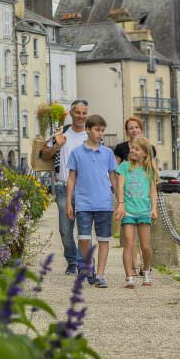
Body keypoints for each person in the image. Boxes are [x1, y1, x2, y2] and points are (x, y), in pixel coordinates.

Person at [66, 115, 118, 288]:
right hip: (83, 203)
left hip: (104, 203)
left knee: (104, 240)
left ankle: (101, 275)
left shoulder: (108, 153)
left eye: (102, 130)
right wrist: (68, 202)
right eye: (97, 130)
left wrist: (121, 202)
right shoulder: (76, 153)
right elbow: (71, 179)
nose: (100, 133)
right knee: (83, 238)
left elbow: (113, 178)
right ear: (88, 130)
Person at [41, 99, 89, 274]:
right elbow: (44, 154)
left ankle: (81, 262)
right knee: (65, 230)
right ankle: (71, 261)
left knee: (84, 230)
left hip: (85, 189)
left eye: (84, 113)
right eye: (78, 112)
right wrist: (58, 145)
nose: (81, 116)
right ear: (71, 113)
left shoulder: (91, 135)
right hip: (63, 187)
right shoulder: (61, 133)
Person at [113, 116, 155, 276]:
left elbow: (152, 173)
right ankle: (133, 266)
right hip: (128, 198)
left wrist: (154, 205)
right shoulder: (121, 148)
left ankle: (143, 266)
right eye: (130, 127)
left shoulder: (148, 148)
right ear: (127, 131)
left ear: (141, 129)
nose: (134, 130)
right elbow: (115, 171)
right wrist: (119, 198)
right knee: (130, 240)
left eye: (136, 127)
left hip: (143, 199)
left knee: (144, 242)